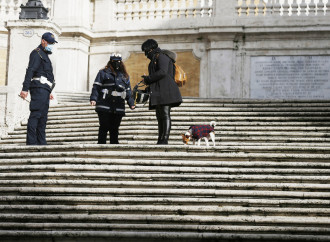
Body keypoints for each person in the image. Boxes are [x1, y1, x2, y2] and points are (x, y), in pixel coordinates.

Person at [141, 39, 182, 145]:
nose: (146, 54)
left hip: (166, 90)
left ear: (151, 49)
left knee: (165, 114)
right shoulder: (154, 59)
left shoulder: (162, 56)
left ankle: (165, 139)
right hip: (158, 91)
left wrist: (148, 79)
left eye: (146, 51)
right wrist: (147, 83)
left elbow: (162, 72)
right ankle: (160, 139)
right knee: (159, 116)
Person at [19, 32, 57, 145]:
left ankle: (41, 142)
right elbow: (30, 70)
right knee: (36, 114)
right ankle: (31, 143)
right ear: (43, 41)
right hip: (38, 88)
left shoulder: (45, 55)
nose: (51, 45)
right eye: (49, 42)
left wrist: (49, 90)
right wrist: (25, 88)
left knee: (43, 118)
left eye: (52, 43)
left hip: (45, 89)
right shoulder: (37, 53)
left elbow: (48, 75)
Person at [90, 53, 135, 144]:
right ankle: (101, 146)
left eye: (118, 61)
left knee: (115, 128)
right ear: (110, 61)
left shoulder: (125, 76)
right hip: (104, 104)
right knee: (104, 126)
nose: (116, 63)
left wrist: (131, 103)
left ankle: (114, 145)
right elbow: (96, 87)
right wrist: (93, 98)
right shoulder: (103, 72)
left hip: (118, 105)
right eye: (114, 61)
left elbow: (128, 91)